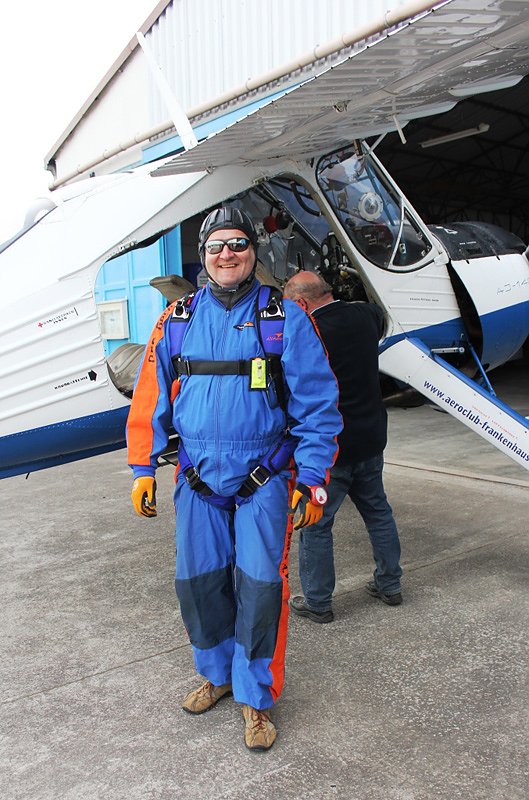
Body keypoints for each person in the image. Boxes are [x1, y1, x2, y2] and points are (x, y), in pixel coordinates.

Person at [126, 208, 341, 751]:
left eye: (238, 244)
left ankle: (256, 699)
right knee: (199, 587)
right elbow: (150, 396)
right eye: (217, 245)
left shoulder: (285, 317)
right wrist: (142, 467)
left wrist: (312, 479)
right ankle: (218, 675)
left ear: (253, 252)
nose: (228, 254)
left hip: (262, 477)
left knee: (260, 590)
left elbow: (318, 406)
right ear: (203, 253)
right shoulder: (175, 320)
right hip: (197, 476)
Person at [283, 270, 402, 624]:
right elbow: (382, 315)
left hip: (330, 447)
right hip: (371, 438)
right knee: (378, 512)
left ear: (302, 303)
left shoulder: (309, 333)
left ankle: (318, 602)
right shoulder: (365, 315)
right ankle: (390, 584)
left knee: (316, 523)